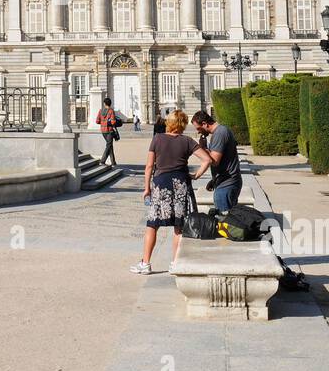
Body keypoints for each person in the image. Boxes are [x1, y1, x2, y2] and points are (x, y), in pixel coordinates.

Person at [131, 109, 214, 274]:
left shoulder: (157, 139)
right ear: (182, 125)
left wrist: (147, 187)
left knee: (152, 225)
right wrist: (196, 175)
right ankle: (175, 263)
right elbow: (207, 159)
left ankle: (145, 263)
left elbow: (149, 166)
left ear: (169, 123)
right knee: (179, 226)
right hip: (180, 183)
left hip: (161, 184)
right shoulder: (187, 141)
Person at [191, 110, 243, 211]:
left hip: (226, 185)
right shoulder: (221, 131)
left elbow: (214, 161)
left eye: (198, 128)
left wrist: (202, 148)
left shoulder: (220, 133)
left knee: (224, 222)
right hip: (227, 182)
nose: (198, 131)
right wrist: (214, 180)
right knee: (230, 220)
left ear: (205, 124)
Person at [95, 97, 122, 166]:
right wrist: (115, 122)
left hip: (103, 131)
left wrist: (103, 122)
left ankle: (113, 162)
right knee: (108, 145)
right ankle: (102, 161)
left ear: (104, 103)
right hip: (109, 131)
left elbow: (97, 121)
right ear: (110, 103)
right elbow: (113, 122)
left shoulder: (100, 111)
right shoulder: (111, 111)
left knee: (110, 145)